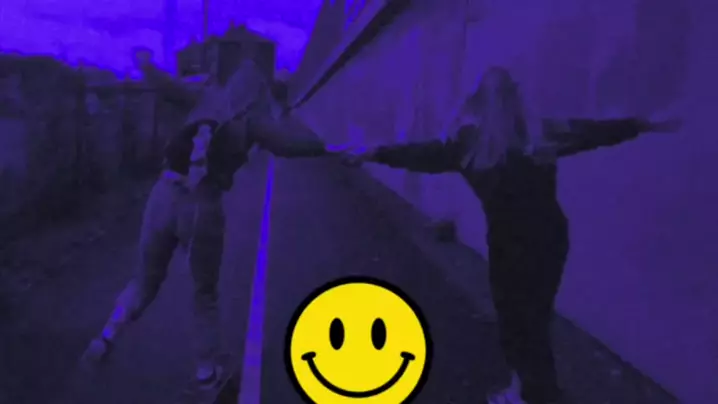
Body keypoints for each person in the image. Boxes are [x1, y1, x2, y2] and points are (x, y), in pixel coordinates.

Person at [345, 67, 681, 404]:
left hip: (511, 243)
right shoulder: (541, 134)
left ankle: (529, 392)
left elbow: (420, 155)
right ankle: (535, 389)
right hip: (550, 238)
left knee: (516, 322)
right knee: (535, 319)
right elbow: (595, 132)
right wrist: (640, 124)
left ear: (477, 103)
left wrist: (374, 152)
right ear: (517, 99)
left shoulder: (470, 146)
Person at [81, 49, 344, 385]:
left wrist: (146, 65)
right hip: (202, 204)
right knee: (203, 292)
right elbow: (291, 145)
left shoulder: (205, 97)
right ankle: (206, 371)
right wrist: (332, 146)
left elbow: (168, 86)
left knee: (144, 280)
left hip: (163, 194)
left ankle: (106, 337)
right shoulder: (254, 122)